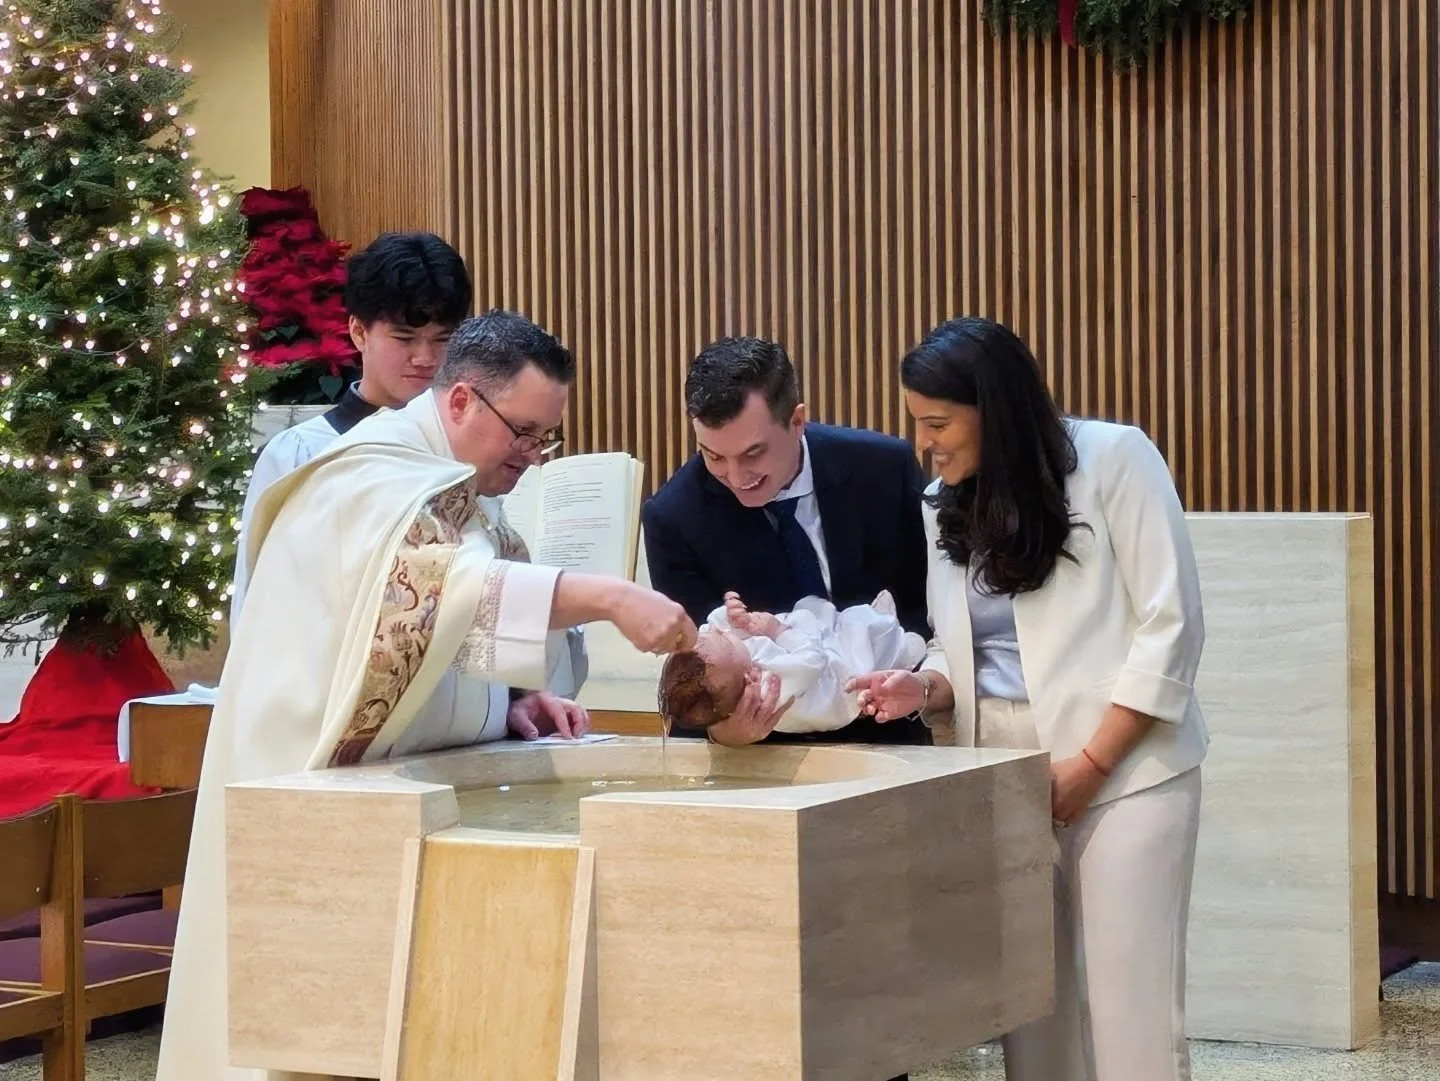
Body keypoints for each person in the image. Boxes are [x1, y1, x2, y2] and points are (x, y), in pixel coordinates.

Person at [156, 310, 697, 1081]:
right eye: (526, 433)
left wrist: (499, 705)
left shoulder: (446, 482)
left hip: (389, 800)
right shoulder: (368, 476)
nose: (533, 459)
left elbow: (415, 649)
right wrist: (610, 596)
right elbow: (443, 590)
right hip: (307, 793)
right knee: (310, 1042)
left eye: (548, 438)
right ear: (461, 401)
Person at [848, 316, 1208, 1081]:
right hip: (1007, 775)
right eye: (917, 425)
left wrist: (1090, 764)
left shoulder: (1115, 458)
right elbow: (965, 642)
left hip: (1127, 766)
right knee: (1029, 1017)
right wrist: (927, 683)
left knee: (1130, 1014)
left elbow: (1171, 626)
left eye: (938, 423)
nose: (925, 445)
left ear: (995, 408)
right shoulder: (945, 497)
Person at [641, 336, 930, 749]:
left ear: (797, 421)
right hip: (764, 755)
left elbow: (924, 608)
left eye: (753, 453)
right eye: (714, 456)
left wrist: (918, 685)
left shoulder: (883, 469)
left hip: (894, 734)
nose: (736, 476)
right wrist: (724, 732)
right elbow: (699, 669)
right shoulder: (674, 518)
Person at [229, 230, 472, 621]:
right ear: (358, 331)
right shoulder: (302, 455)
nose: (425, 357)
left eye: (442, 339)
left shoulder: (469, 452)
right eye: (404, 338)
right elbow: (257, 605)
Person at [658, 590, 926, 735]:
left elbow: (712, 629)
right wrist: (778, 632)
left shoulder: (730, 671)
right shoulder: (771, 688)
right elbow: (812, 660)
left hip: (810, 667)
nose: (722, 631)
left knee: (812, 611)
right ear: (747, 677)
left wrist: (731, 614)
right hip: (833, 684)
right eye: (726, 638)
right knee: (858, 641)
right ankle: (902, 647)